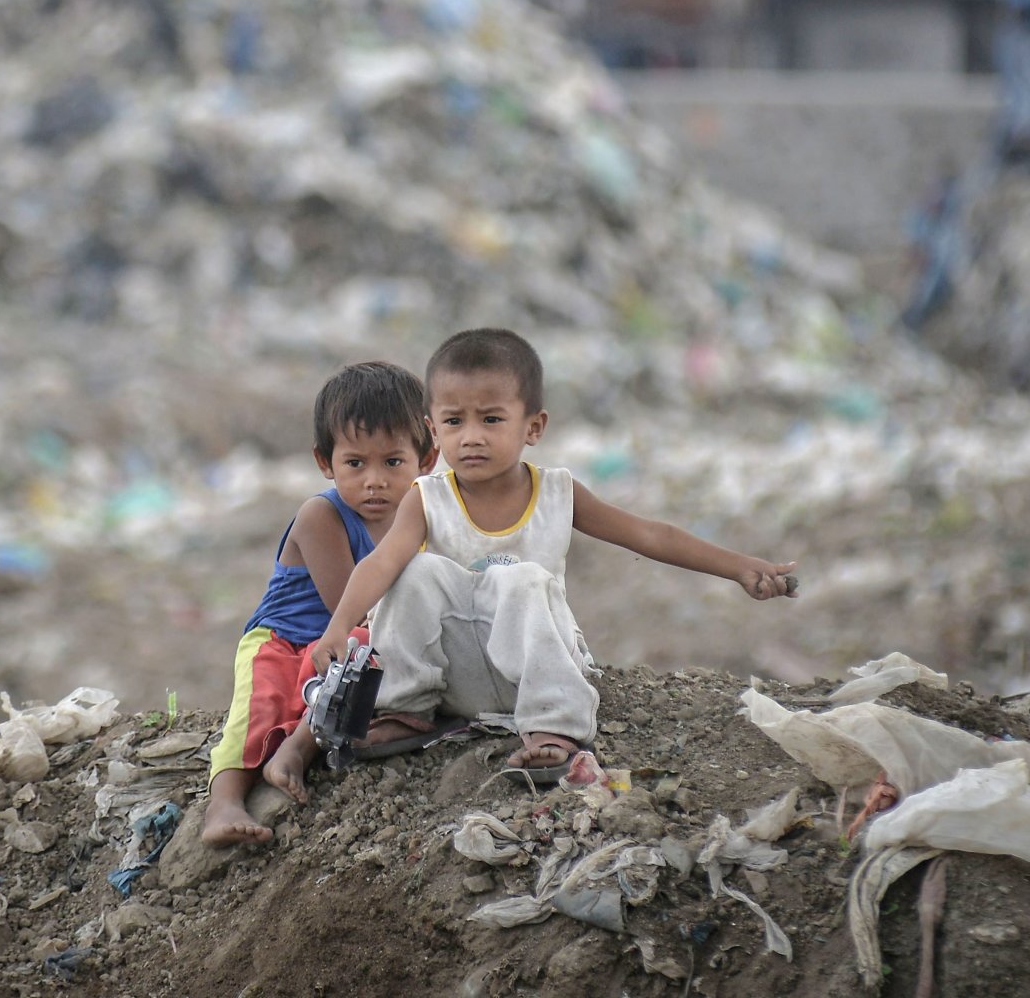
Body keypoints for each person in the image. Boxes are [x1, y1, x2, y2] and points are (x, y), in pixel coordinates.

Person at [308, 328, 798, 781]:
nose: (472, 436)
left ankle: (554, 729)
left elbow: (650, 535)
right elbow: (381, 564)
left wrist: (739, 568)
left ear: (534, 427)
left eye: (492, 419)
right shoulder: (426, 496)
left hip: (538, 675)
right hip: (459, 683)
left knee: (521, 578)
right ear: (433, 432)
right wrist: (338, 628)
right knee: (413, 569)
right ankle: (405, 708)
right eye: (454, 421)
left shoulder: (558, 493)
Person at [201, 361, 437, 846]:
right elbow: (347, 608)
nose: (374, 481)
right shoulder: (321, 516)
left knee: (380, 648)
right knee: (259, 711)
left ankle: (303, 744)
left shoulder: (425, 516)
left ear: (427, 459)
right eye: (355, 464)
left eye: (392, 462)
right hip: (287, 641)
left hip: (351, 643)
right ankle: (223, 806)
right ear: (325, 462)